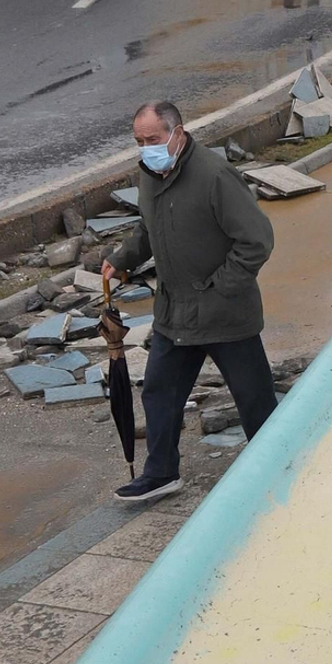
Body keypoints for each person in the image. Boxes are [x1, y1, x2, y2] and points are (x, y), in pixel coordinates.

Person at [102, 100, 277, 505]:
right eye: (139, 141)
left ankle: (277, 463)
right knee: (160, 393)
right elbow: (149, 228)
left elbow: (256, 241)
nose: (147, 147)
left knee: (254, 399)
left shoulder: (215, 176)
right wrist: (121, 258)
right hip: (174, 314)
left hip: (225, 314)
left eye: (154, 139)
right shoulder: (150, 175)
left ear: (177, 133)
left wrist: (217, 288)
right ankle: (161, 473)